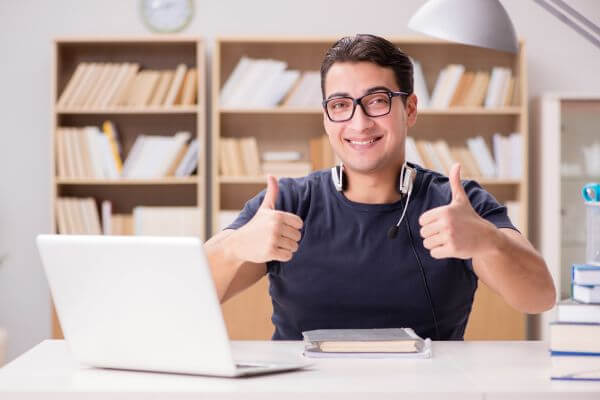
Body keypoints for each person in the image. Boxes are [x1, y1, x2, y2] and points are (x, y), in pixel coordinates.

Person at [205, 34, 556, 340]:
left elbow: (539, 297)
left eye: (377, 101)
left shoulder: (457, 204)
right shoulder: (284, 203)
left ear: (411, 108)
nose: (359, 123)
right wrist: (235, 247)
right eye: (340, 105)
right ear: (327, 118)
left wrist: (488, 240)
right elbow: (184, 297)